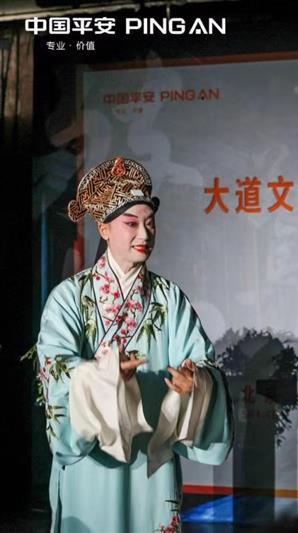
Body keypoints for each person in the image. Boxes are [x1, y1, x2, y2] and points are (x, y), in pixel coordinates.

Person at [35, 157, 233, 532]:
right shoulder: (69, 298)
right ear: (104, 228)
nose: (144, 234)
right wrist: (104, 376)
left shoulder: (168, 298)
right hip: (93, 464)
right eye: (131, 223)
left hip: (151, 462)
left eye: (150, 223)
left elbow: (200, 359)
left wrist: (196, 383)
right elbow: (55, 369)